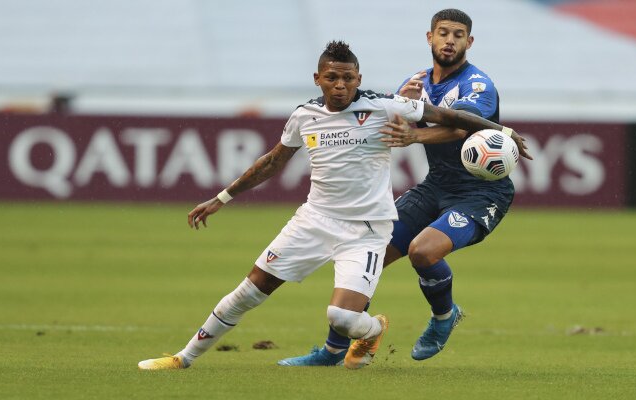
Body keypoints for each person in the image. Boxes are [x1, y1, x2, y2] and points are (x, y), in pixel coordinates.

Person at [138, 39, 528, 371]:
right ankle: (182, 359)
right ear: (318, 79)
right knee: (249, 290)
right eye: (332, 77)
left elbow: (449, 116)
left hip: (366, 230)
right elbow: (272, 162)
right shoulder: (304, 116)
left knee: (341, 316)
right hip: (313, 220)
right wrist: (222, 198)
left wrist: (501, 129)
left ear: (359, 78)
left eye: (348, 78)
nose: (340, 86)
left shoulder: (385, 107)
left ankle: (371, 331)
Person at [278, 9, 532, 367]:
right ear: (429, 37)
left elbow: (461, 128)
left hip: (481, 194)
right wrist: (403, 105)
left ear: (469, 42)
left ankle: (445, 316)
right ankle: (333, 351)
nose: (450, 40)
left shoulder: (477, 86)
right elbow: (391, 120)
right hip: (435, 186)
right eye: (443, 33)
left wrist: (415, 134)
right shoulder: (416, 80)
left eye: (458, 35)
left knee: (423, 252)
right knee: (370, 256)